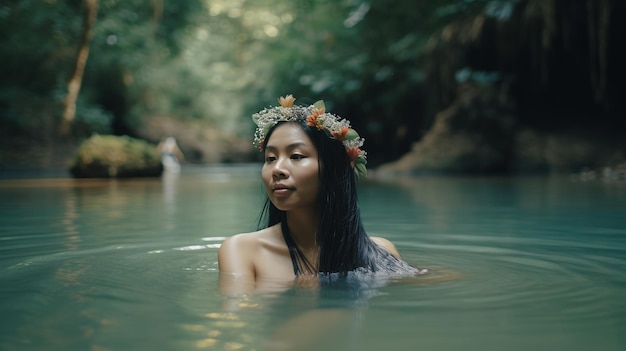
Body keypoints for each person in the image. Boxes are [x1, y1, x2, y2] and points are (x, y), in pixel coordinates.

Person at [218, 95, 426, 294]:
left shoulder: (380, 251)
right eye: (270, 158)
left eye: (296, 156)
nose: (277, 169)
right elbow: (236, 320)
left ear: (334, 169)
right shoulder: (242, 251)